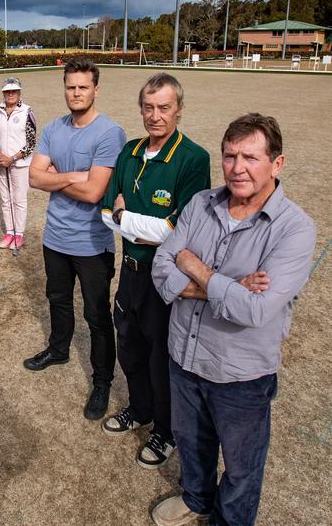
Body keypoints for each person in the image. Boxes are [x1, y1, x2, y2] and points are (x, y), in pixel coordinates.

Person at [150, 113, 316, 526]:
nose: (237, 168)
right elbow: (160, 267)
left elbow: (255, 309)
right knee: (191, 442)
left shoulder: (295, 229)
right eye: (229, 156)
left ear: (276, 164)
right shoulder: (200, 203)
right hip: (185, 357)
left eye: (250, 157)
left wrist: (196, 267)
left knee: (241, 468)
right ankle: (197, 499)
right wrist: (230, 285)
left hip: (239, 375)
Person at [101, 73, 210, 469]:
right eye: (148, 107)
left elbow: (177, 232)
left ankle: (165, 430)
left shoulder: (193, 158)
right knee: (129, 347)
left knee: (162, 358)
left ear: (178, 110)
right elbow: (104, 214)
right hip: (128, 272)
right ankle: (139, 409)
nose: (155, 115)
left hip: (164, 281)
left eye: (164, 108)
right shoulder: (129, 151)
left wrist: (125, 216)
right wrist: (136, 222)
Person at [24, 57, 126, 421]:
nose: (76, 92)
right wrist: (75, 176)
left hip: (92, 244)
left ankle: (101, 381)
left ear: (95, 89)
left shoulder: (109, 133)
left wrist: (58, 176)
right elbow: (34, 179)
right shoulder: (53, 128)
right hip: (56, 238)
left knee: (97, 315)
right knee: (58, 300)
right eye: (71, 86)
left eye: (83, 86)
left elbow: (96, 191)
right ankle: (59, 348)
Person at [0, 77, 36, 250]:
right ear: (3, 92)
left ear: (19, 92)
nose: (10, 94)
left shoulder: (27, 111)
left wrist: (12, 158)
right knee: (5, 200)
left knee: (19, 200)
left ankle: (19, 234)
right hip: (1, 162)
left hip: (20, 164)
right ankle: (9, 231)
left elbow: (31, 142)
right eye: (7, 91)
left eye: (14, 91)